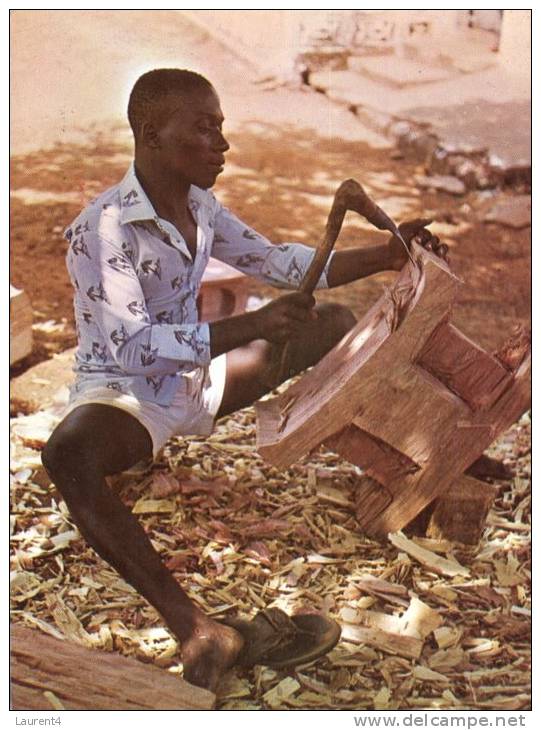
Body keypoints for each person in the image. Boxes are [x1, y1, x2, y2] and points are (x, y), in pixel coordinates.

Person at [42, 68, 448, 691]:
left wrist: (389, 255)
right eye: (204, 129)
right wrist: (248, 326)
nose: (222, 145)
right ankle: (199, 628)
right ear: (152, 135)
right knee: (69, 452)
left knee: (334, 322)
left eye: (222, 128)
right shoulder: (102, 231)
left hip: (195, 381)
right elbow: (133, 347)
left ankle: (436, 449)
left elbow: (279, 261)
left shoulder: (200, 206)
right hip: (126, 396)